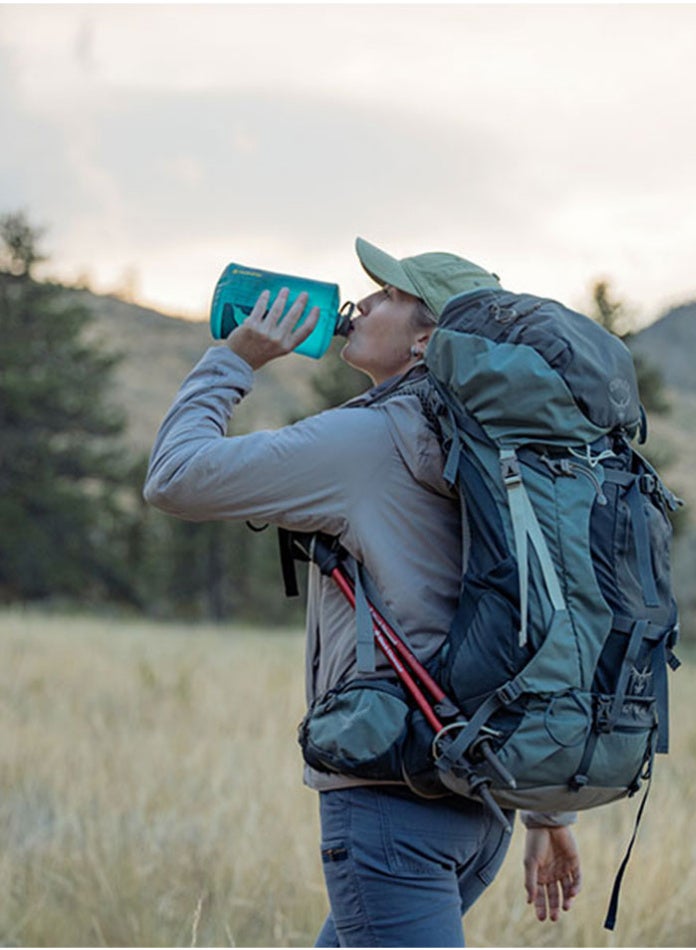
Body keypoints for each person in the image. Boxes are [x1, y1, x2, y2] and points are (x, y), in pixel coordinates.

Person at [143, 237, 582, 947]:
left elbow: (174, 478)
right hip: (479, 801)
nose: (365, 300)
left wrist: (234, 361)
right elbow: (539, 615)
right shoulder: (494, 451)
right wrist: (548, 812)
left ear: (427, 339)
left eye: (390, 294)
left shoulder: (369, 440)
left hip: (392, 804)